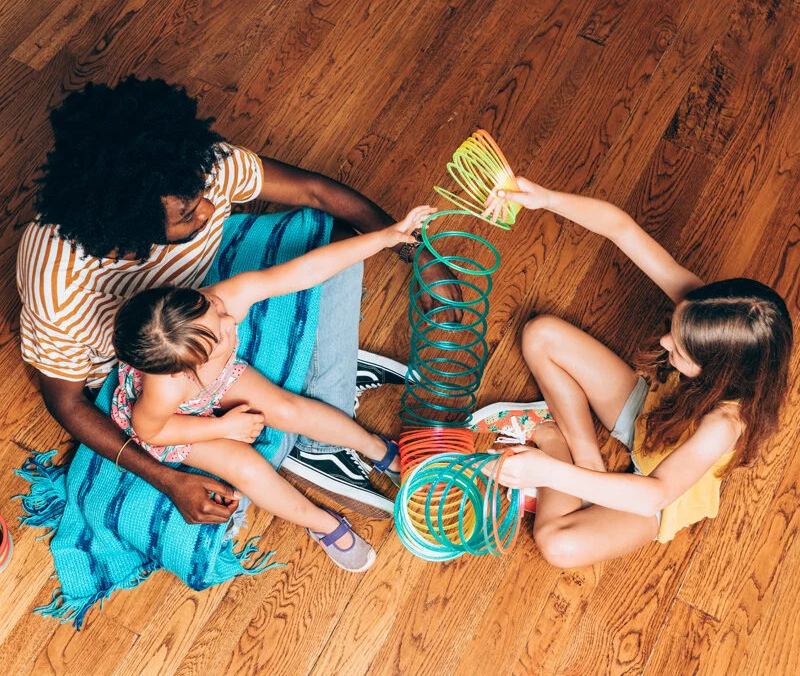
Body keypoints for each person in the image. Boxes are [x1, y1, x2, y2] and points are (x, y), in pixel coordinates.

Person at [16, 77, 458, 524]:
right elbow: (70, 404)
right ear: (128, 222)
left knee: (337, 240)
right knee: (247, 467)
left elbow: (315, 194)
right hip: (150, 366)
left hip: (196, 308)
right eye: (189, 213)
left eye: (202, 196)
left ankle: (326, 386)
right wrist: (168, 480)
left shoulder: (193, 175)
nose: (209, 209)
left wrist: (412, 251)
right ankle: (320, 440)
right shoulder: (61, 288)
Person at [477, 178, 793, 567]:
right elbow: (620, 228)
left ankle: (553, 440)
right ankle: (588, 460)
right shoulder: (704, 315)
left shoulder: (726, 423)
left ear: (718, 371)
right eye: (674, 331)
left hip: (656, 491)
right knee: (541, 334)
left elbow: (653, 494)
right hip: (648, 416)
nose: (664, 343)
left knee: (558, 546)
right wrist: (545, 199)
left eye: (679, 349)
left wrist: (550, 470)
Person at [108, 206, 433, 571]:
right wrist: (223, 427)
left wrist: (383, 237)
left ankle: (375, 447)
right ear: (189, 368)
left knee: (288, 409)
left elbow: (304, 272)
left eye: (213, 307)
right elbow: (151, 429)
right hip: (178, 423)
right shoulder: (165, 389)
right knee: (247, 468)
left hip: (215, 384)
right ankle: (321, 523)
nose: (231, 320)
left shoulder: (223, 302)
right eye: (220, 334)